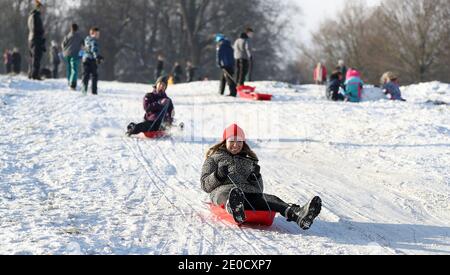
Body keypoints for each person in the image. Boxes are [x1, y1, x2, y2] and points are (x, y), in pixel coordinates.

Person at [201, 124, 322, 229]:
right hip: (223, 191)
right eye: (231, 141)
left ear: (243, 143)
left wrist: (256, 177)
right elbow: (205, 185)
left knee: (271, 199)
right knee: (229, 193)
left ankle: (299, 215)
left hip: (248, 193)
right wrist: (218, 175)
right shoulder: (214, 158)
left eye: (239, 141)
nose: (235, 145)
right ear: (225, 141)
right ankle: (233, 206)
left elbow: (258, 190)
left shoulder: (249, 160)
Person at [27, 0, 46, 80]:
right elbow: (36, 28)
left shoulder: (31, 15)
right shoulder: (36, 16)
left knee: (32, 57)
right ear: (39, 7)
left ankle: (31, 73)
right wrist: (42, 33)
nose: (43, 9)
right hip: (36, 39)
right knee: (36, 57)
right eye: (42, 7)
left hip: (31, 38)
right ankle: (35, 75)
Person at [62, 23, 84, 90]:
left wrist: (65, 50)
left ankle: (69, 81)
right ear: (77, 29)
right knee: (74, 69)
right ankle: (73, 84)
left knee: (69, 68)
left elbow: (63, 44)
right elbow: (84, 45)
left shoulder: (67, 36)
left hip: (66, 54)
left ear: (71, 28)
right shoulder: (80, 36)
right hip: (75, 54)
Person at [82, 27, 104, 95]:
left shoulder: (86, 39)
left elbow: (86, 48)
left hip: (85, 59)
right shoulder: (94, 41)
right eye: (97, 34)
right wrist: (97, 57)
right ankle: (94, 91)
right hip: (91, 59)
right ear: (93, 33)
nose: (98, 35)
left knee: (86, 74)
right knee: (94, 75)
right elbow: (94, 50)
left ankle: (84, 89)